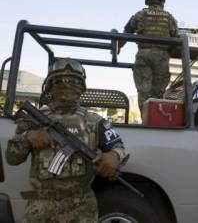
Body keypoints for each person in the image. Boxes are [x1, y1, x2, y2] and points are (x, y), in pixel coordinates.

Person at [6, 58, 127, 223]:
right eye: (59, 81)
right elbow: (12, 159)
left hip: (81, 208)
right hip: (41, 208)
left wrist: (114, 156)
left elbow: (118, 146)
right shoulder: (32, 120)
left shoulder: (95, 121)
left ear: (82, 87)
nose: (67, 85)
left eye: (74, 81)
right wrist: (28, 137)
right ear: (49, 85)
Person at [123, 0, 179, 114]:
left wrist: (116, 49)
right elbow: (176, 38)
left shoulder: (140, 15)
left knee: (144, 92)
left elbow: (126, 32)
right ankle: (156, 120)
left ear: (147, 0)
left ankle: (145, 120)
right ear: (162, 1)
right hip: (162, 57)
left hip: (144, 54)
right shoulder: (169, 18)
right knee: (158, 93)